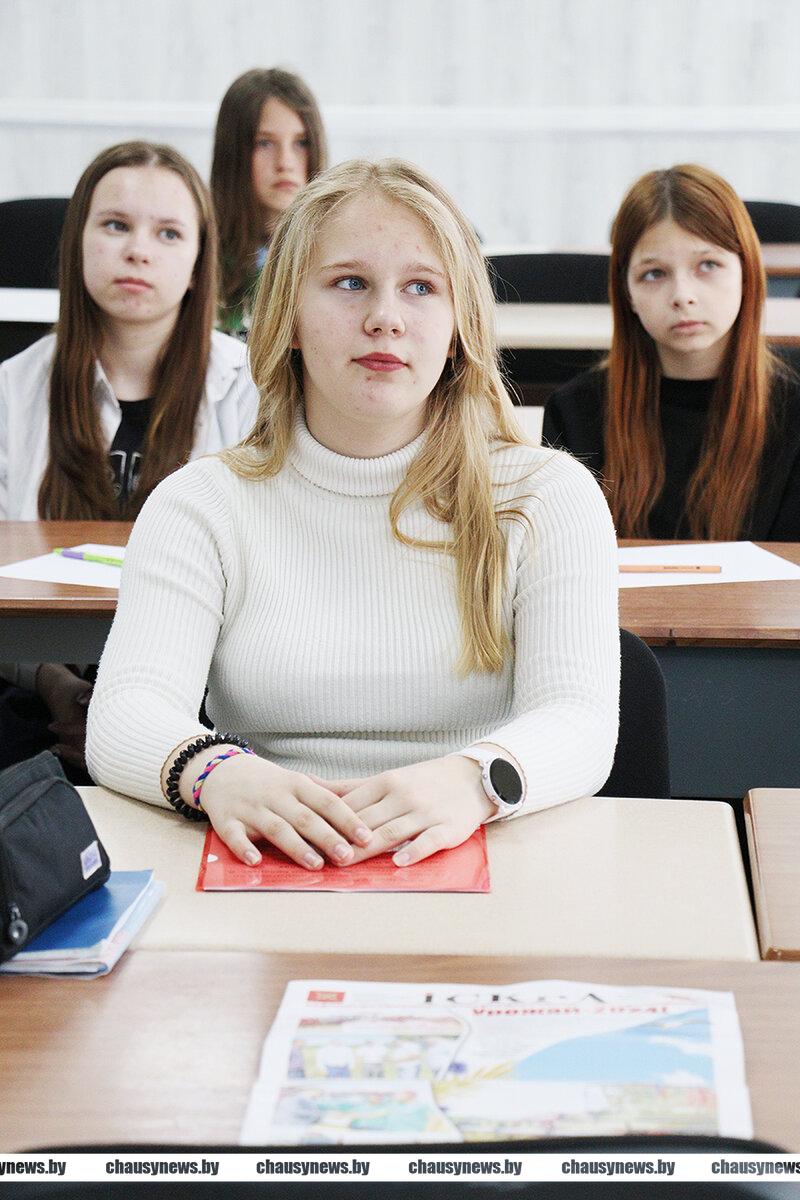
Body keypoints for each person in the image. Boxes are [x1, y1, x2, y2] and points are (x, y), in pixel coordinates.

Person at [87, 158, 620, 871]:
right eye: (349, 283)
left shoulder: (546, 497)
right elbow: (124, 713)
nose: (385, 318)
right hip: (267, 859)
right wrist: (216, 772)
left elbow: (581, 722)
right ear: (290, 317)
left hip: (483, 851)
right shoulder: (200, 505)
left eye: (421, 288)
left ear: (458, 326)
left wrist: (476, 780)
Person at [0, 139, 259, 772]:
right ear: (78, 245)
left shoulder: (252, 391)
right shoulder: (11, 389)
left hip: (203, 704)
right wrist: (56, 685)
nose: (138, 250)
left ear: (198, 263)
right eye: (116, 225)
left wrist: (139, 717)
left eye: (168, 233)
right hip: (35, 695)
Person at [543, 163, 800, 540]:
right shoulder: (575, 413)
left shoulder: (792, 411)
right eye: (654, 273)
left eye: (708, 265)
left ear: (747, 273)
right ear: (627, 292)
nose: (683, 295)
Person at [210, 67, 327, 337]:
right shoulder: (199, 254)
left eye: (301, 143)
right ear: (233, 152)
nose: (285, 163)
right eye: (264, 143)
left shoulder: (336, 252)